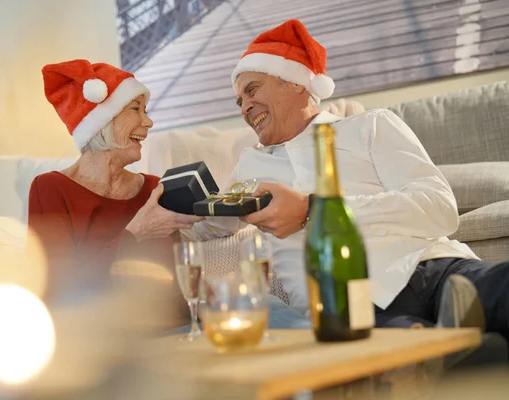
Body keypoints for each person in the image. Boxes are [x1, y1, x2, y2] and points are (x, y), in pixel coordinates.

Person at [185, 19, 509, 342]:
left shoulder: (370, 127)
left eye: (252, 90)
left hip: (434, 269)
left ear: (296, 82)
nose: (245, 106)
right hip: (346, 306)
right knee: (402, 359)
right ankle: (465, 347)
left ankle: (463, 342)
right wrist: (163, 203)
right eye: (239, 100)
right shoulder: (248, 166)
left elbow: (440, 208)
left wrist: (311, 210)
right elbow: (208, 226)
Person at [29, 59, 203, 317]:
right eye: (136, 109)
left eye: (146, 110)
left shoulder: (155, 188)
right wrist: (135, 233)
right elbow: (57, 291)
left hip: (168, 335)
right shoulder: (50, 188)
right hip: (96, 343)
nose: (148, 122)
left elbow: (178, 292)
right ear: (102, 122)